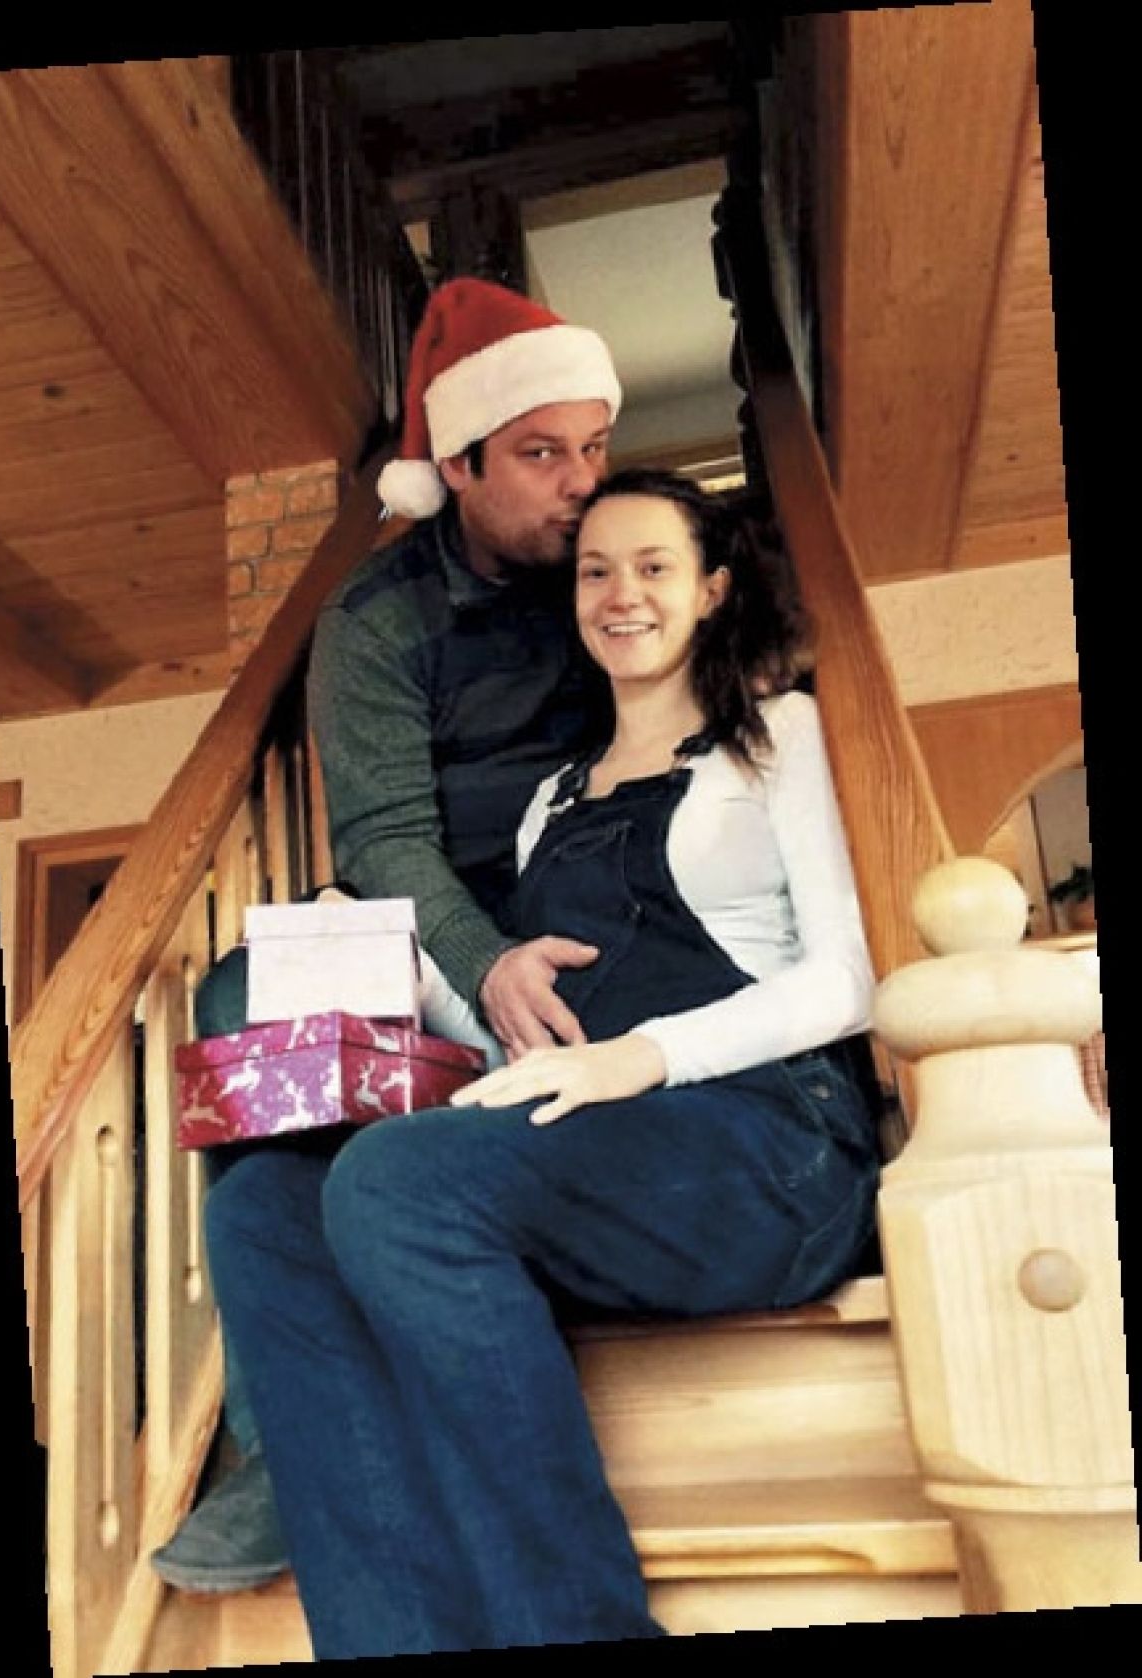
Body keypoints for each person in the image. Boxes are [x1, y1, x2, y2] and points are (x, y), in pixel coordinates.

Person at [200, 467, 884, 1657]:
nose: (622, 594)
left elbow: (847, 980)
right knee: (263, 1207)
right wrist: (379, 956)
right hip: (596, 1145)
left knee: (397, 1181)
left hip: (769, 1142)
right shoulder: (549, 804)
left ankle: (577, 1623)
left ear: (714, 589)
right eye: (596, 570)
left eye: (655, 566)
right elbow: (517, 1034)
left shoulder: (778, 737)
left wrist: (642, 1058)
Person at [151, 276, 627, 1591]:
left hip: (588, 896)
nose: (582, 483)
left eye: (595, 446)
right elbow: (387, 840)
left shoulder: (621, 565)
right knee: (237, 1001)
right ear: (456, 464)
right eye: (542, 455)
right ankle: (278, 1446)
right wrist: (480, 962)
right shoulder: (374, 619)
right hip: (430, 917)